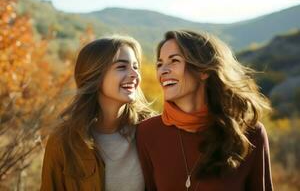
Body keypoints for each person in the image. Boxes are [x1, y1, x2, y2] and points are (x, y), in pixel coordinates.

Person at [137, 30, 273, 191]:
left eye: (174, 61)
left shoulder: (250, 133)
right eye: (159, 64)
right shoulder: (147, 132)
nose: (163, 71)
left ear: (204, 70)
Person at [40, 35, 155, 191]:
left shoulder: (152, 131)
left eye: (135, 67)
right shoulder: (64, 141)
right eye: (122, 67)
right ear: (94, 75)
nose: (134, 75)